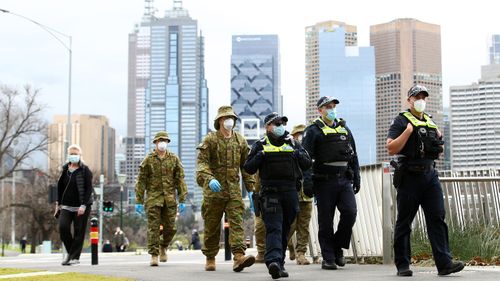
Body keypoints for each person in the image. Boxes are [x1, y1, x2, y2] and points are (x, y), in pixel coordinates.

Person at [387, 85, 464, 277]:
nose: (420, 100)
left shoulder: (430, 122)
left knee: (437, 218)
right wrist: (407, 132)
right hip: (409, 176)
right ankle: (403, 264)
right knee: (404, 221)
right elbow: (391, 148)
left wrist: (438, 143)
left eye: (423, 97)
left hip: (430, 176)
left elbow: (438, 150)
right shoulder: (401, 120)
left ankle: (444, 263)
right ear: (409, 100)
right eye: (416, 97)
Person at [244, 112, 312, 279]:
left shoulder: (293, 142)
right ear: (268, 126)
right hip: (270, 193)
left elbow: (306, 163)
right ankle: (273, 261)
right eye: (276, 123)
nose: (280, 126)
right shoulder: (260, 145)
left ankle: (278, 263)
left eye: (282, 123)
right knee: (274, 227)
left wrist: (297, 153)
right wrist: (259, 157)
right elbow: (248, 167)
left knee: (285, 228)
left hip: (290, 193)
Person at [302, 96, 360, 270]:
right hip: (323, 181)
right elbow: (305, 159)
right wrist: (307, 181)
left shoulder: (344, 129)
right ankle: (328, 257)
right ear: (320, 110)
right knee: (325, 221)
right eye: (328, 107)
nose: (332, 109)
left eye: (333, 106)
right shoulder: (312, 131)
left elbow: (353, 155)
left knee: (350, 213)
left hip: (344, 179)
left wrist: (357, 176)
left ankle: (337, 247)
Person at [196, 105, 257, 272]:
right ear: (220, 121)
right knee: (212, 225)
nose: (229, 121)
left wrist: (251, 189)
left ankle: (238, 257)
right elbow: (202, 163)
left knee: (237, 223)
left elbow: (246, 167)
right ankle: (210, 257)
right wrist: (209, 179)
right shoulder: (210, 140)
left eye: (231, 118)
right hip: (214, 191)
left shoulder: (240, 141)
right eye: (226, 118)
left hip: (233, 191)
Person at [135, 131, 188, 266]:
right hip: (153, 199)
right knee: (153, 227)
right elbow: (141, 181)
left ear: (167, 143)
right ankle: (154, 255)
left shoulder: (174, 159)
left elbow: (180, 180)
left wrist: (182, 198)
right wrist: (139, 201)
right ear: (155, 143)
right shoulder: (148, 160)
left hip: (170, 199)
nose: (162, 143)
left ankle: (163, 246)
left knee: (171, 227)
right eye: (160, 140)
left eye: (165, 140)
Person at [54, 144, 93, 266]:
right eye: (71, 154)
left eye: (76, 154)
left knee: (78, 231)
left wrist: (83, 205)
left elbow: (88, 189)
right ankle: (72, 254)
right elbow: (60, 188)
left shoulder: (85, 170)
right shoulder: (65, 169)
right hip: (66, 206)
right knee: (63, 228)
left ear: (80, 156)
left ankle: (73, 258)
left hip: (81, 207)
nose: (73, 156)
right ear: (68, 155)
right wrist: (58, 204)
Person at [286, 124, 313, 265]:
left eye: (303, 133)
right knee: (290, 224)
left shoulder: (309, 151)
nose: (301, 136)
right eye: (298, 134)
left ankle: (301, 254)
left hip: (307, 195)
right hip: (292, 193)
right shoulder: (288, 149)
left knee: (303, 225)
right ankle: (282, 247)